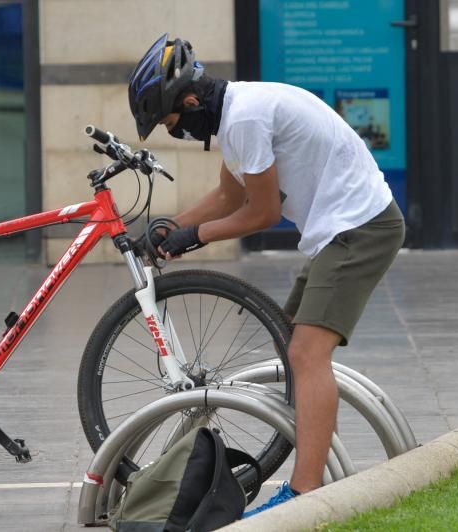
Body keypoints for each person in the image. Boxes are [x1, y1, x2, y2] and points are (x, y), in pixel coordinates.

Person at [128, 34, 405, 516]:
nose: (178, 134)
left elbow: (261, 214)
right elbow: (228, 197)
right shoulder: (238, 114)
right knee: (295, 344)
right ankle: (321, 471)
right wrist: (171, 227)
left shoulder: (246, 118)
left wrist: (194, 238)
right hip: (338, 230)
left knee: (305, 352)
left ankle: (305, 496)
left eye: (173, 124)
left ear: (191, 102)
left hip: (359, 228)